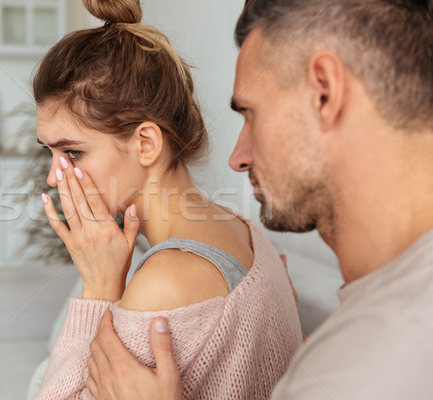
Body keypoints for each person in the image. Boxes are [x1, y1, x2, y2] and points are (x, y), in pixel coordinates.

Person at [85, 0, 433, 399]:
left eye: (251, 114)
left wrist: (98, 287)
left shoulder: (369, 365)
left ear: (325, 92)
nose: (238, 158)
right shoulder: (379, 323)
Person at [31, 0, 303, 398]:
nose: (54, 177)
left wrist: (101, 288)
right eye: (49, 154)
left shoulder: (165, 282)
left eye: (72, 152)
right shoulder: (239, 227)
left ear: (145, 143)